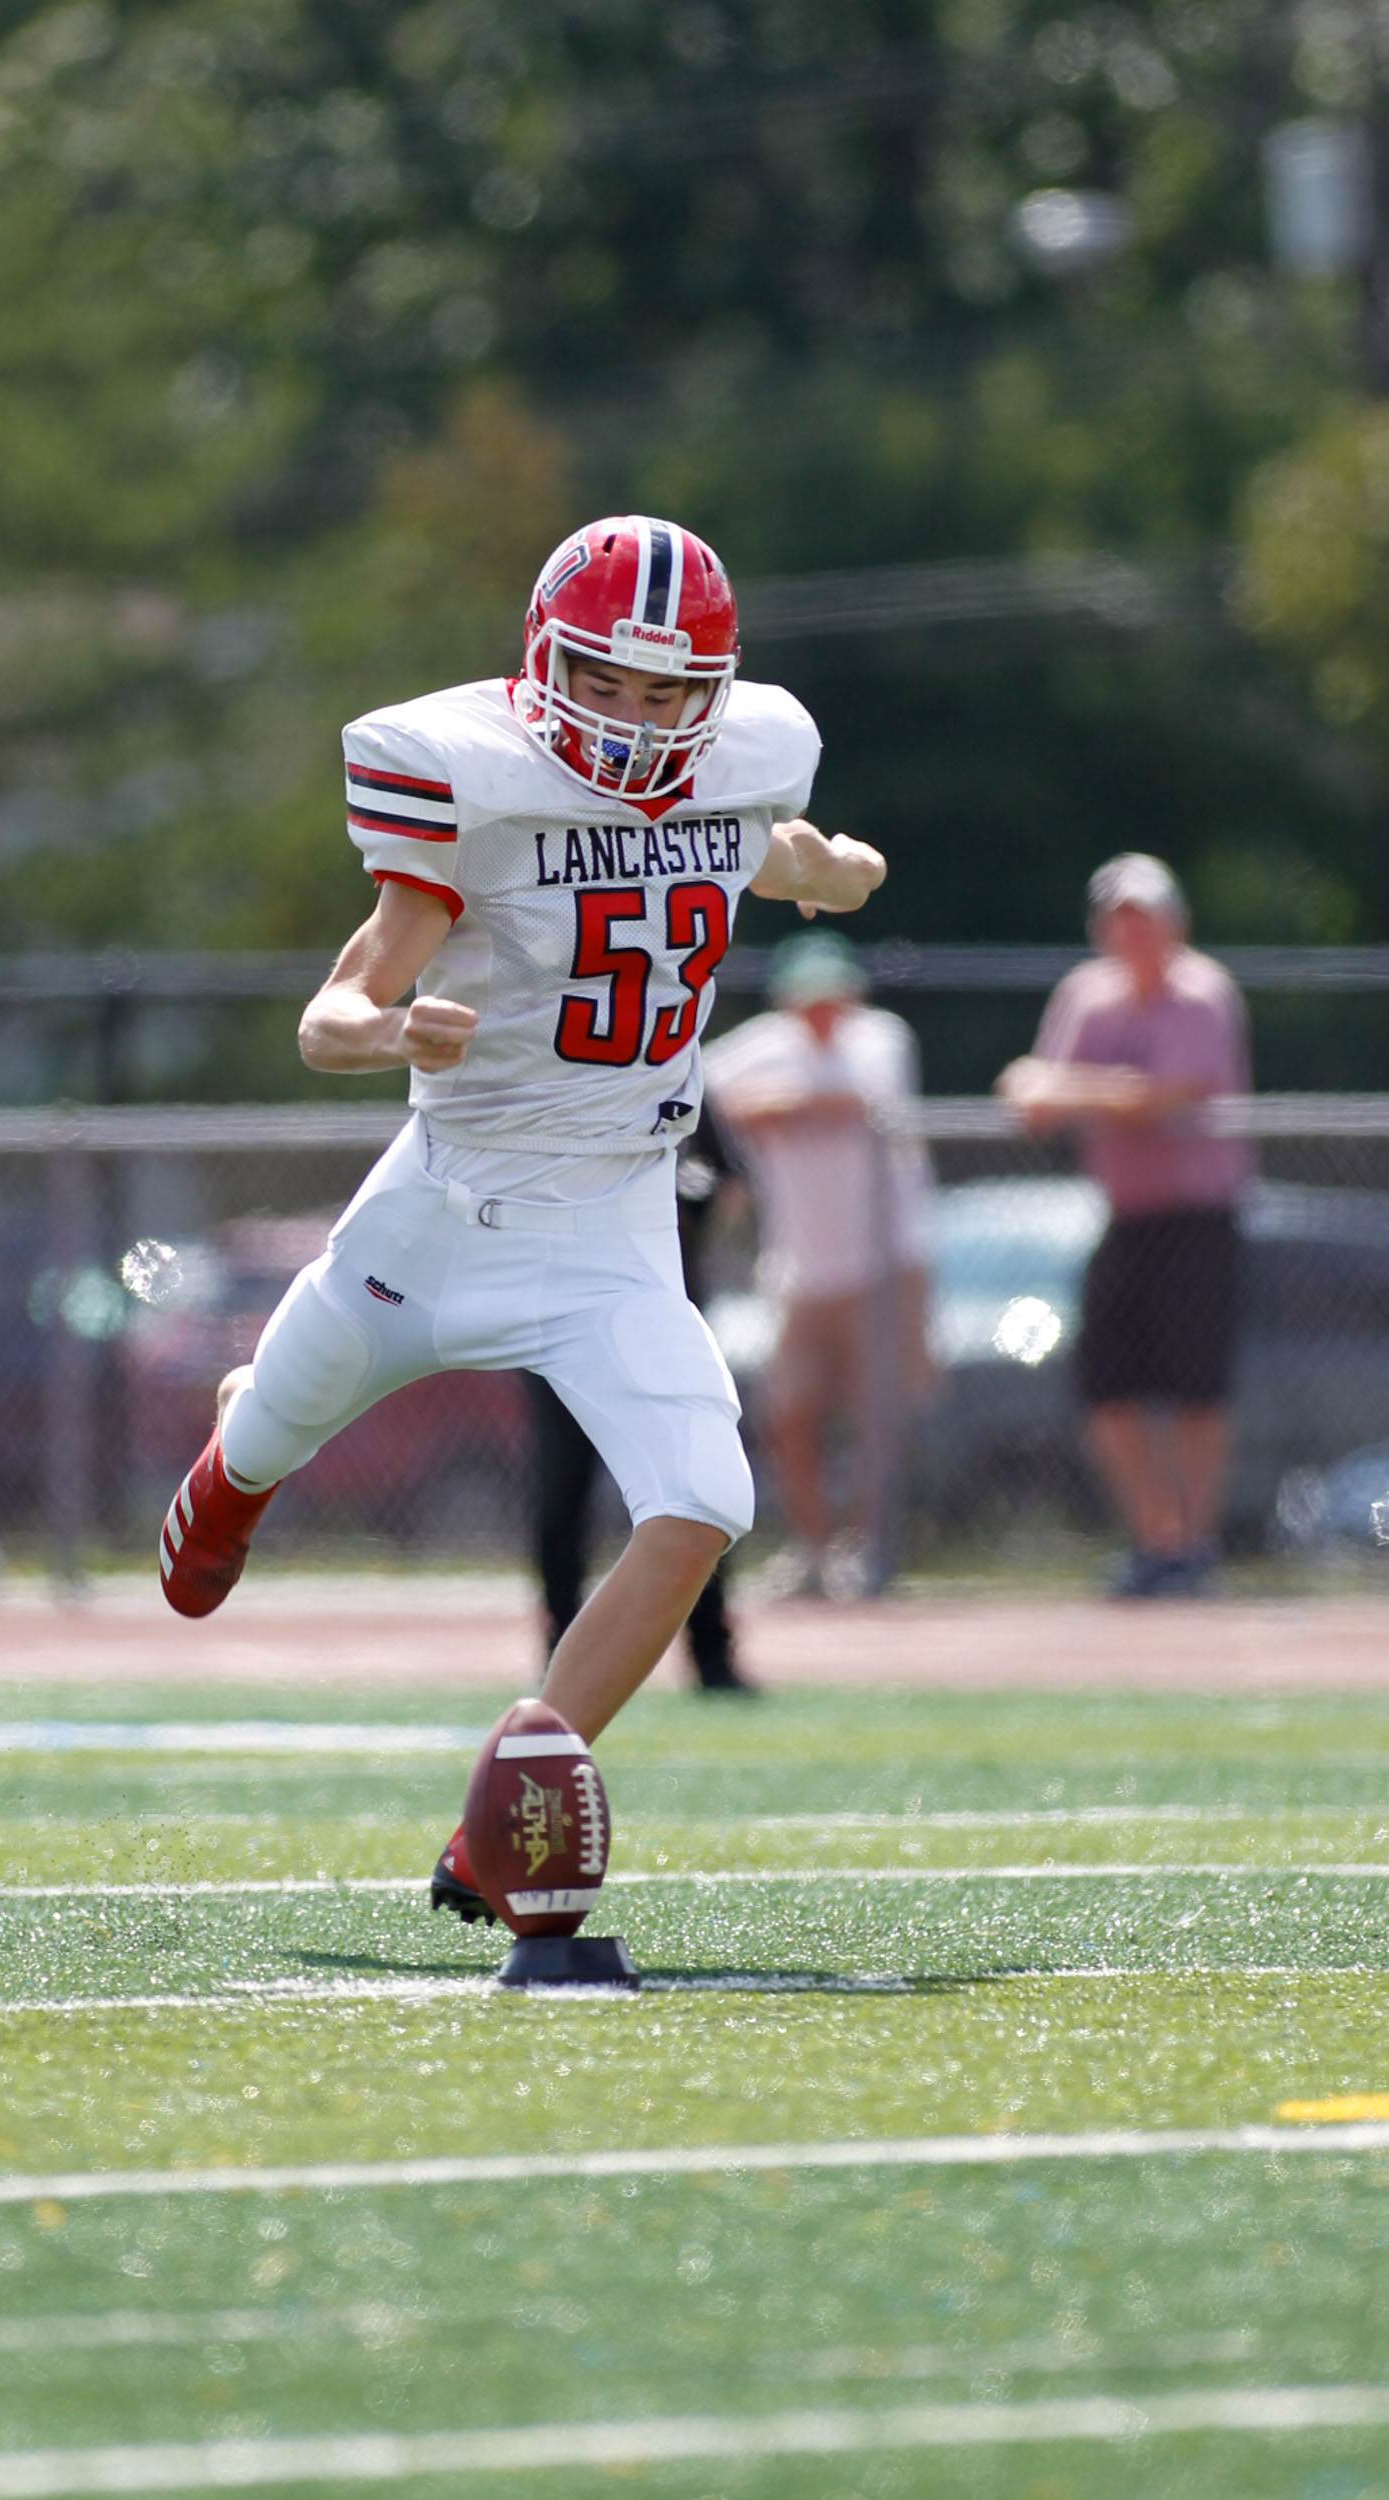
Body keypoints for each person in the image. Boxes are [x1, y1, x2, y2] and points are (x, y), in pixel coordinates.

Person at [157, 513, 885, 1917]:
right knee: (265, 1444)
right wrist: (379, 1035)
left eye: (670, 693)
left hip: (610, 1215)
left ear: (715, 697)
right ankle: (237, 1460)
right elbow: (336, 1007)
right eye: (606, 683)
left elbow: (751, 849)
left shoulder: (734, 772)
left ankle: (509, 1796)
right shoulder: (471, 781)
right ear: (545, 662)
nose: (634, 720)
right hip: (443, 1207)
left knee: (700, 1502)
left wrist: (825, 874)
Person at [996, 852, 1252, 1597]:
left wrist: (1075, 1090)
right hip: (1126, 1216)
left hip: (1199, 1216)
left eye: (1142, 916)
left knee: (1196, 1390)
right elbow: (1030, 1097)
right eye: (1116, 918)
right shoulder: (1086, 994)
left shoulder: (1202, 992)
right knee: (1106, 1387)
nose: (1129, 931)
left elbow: (1165, 1096)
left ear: (1173, 922)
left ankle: (1195, 1546)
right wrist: (1082, 1091)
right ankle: (1156, 1537)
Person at [704, 931, 933, 1600]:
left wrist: (777, 1106)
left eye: (832, 999)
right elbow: (698, 1090)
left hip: (881, 1263)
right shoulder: (766, 1044)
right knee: (789, 1411)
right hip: (800, 1267)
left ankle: (871, 1549)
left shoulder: (879, 1036)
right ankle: (813, 1547)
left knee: (876, 1415)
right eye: (809, 1001)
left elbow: (861, 1096)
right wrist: (770, 1107)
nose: (821, 1014)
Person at [524, 1098, 756, 1692]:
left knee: (695, 1491)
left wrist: (682, 1228)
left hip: (660, 1328)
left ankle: (712, 1655)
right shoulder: (553, 1075)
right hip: (559, 1322)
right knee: (562, 1493)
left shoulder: (676, 1064)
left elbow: (725, 1185)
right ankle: (562, 1664)